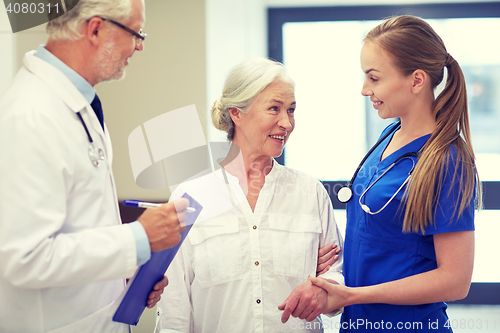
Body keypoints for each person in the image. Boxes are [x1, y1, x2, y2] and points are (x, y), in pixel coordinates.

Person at [0, 0, 189, 332]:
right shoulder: (30, 115)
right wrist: (137, 238)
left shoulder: (78, 104)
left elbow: (80, 226)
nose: (140, 46)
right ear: (97, 28)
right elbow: (24, 259)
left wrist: (126, 268)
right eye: (136, 32)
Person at [305, 15, 480, 332]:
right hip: (359, 322)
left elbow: (455, 281)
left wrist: (353, 294)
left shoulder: (448, 160)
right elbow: (379, 238)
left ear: (416, 80)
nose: (364, 90)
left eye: (374, 78)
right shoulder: (389, 135)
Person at [155, 57, 344, 333]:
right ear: (236, 114)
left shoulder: (310, 192)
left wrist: (324, 291)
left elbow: (336, 275)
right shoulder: (190, 197)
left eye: (291, 110)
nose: (287, 123)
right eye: (274, 109)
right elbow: (174, 309)